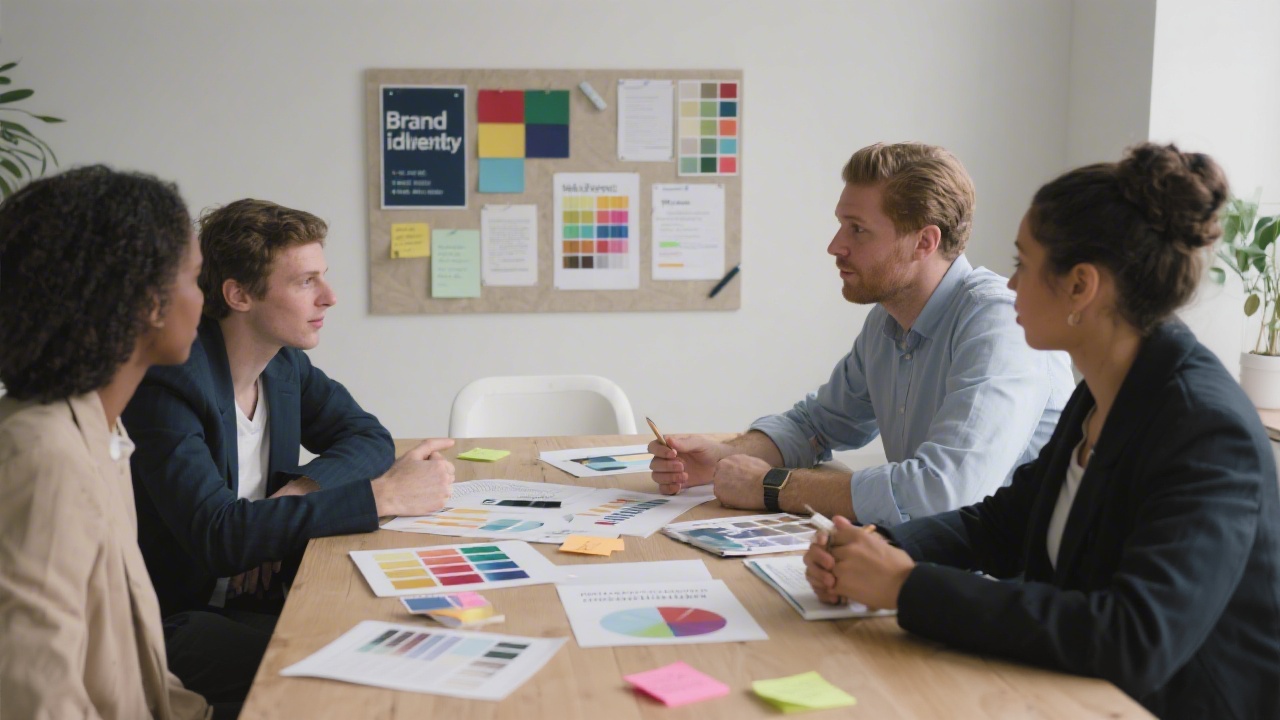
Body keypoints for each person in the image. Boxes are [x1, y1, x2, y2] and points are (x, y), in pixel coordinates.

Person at [804, 144, 1280, 719]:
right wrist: (883, 547)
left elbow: (1133, 639)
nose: (1010, 285)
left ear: (1080, 286)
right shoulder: (1102, 393)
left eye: (1024, 264)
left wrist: (906, 587)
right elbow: (1005, 522)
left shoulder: (1207, 431)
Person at [122, 199, 455, 699]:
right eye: (305, 282)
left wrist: (300, 489)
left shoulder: (283, 366)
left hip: (260, 598)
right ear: (239, 294)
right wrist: (383, 496)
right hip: (172, 623)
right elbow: (219, 536)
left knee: (409, 638)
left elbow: (368, 437)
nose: (330, 297)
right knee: (363, 675)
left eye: (324, 277)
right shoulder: (170, 384)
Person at [649, 142, 1074, 525]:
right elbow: (816, 424)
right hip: (928, 559)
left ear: (924, 242)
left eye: (858, 229)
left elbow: (942, 491)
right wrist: (727, 456)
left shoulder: (999, 322)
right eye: (841, 225)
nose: (835, 246)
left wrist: (773, 486)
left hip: (1002, 576)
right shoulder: (888, 319)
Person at [0, 166, 214, 718]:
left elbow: (136, 669)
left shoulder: (103, 432)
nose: (203, 299)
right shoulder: (44, 454)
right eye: (195, 278)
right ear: (148, 302)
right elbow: (37, 698)